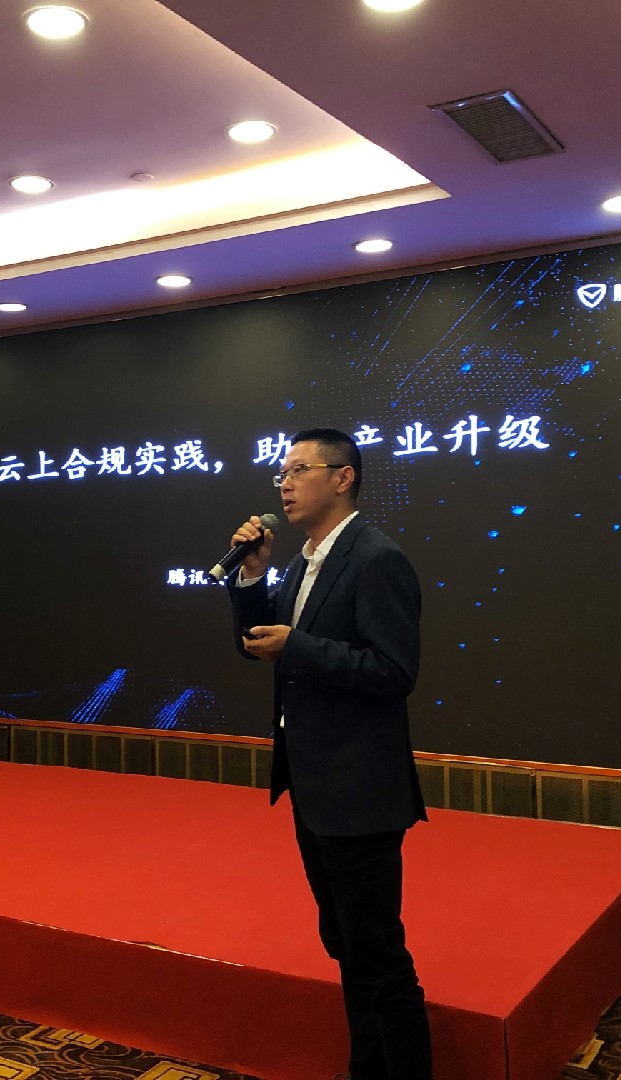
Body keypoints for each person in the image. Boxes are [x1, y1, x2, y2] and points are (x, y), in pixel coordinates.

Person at [226, 427, 432, 1080]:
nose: (283, 485)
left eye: (298, 470)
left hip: (360, 790)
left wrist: (299, 645)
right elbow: (258, 644)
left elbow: (394, 670)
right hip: (315, 784)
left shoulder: (376, 559)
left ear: (343, 478)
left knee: (377, 954)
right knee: (346, 943)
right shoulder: (301, 564)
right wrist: (251, 578)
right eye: (280, 474)